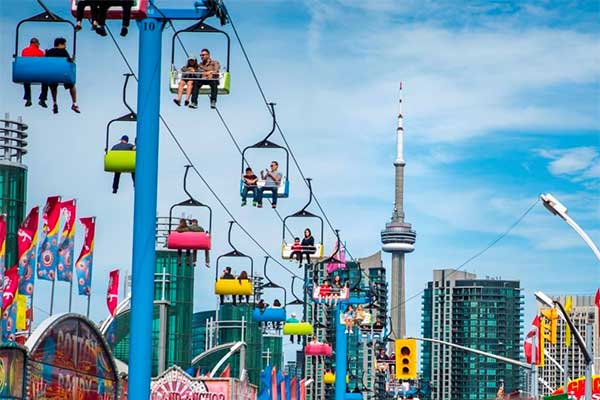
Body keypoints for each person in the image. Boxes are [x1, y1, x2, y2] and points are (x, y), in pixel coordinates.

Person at [43, 38, 80, 114]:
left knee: (53, 86)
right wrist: (72, 59)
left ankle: (55, 102)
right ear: (60, 44)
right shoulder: (63, 52)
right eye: (64, 44)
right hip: (63, 74)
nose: (65, 46)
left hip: (52, 75)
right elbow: (69, 61)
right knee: (72, 85)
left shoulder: (49, 52)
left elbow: (45, 62)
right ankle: (74, 103)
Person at [20, 38, 45, 107]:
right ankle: (42, 99)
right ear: (36, 43)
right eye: (38, 44)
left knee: (26, 82)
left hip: (27, 73)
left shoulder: (24, 51)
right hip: (38, 73)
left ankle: (28, 99)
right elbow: (43, 62)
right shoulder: (40, 52)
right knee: (45, 81)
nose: (39, 45)